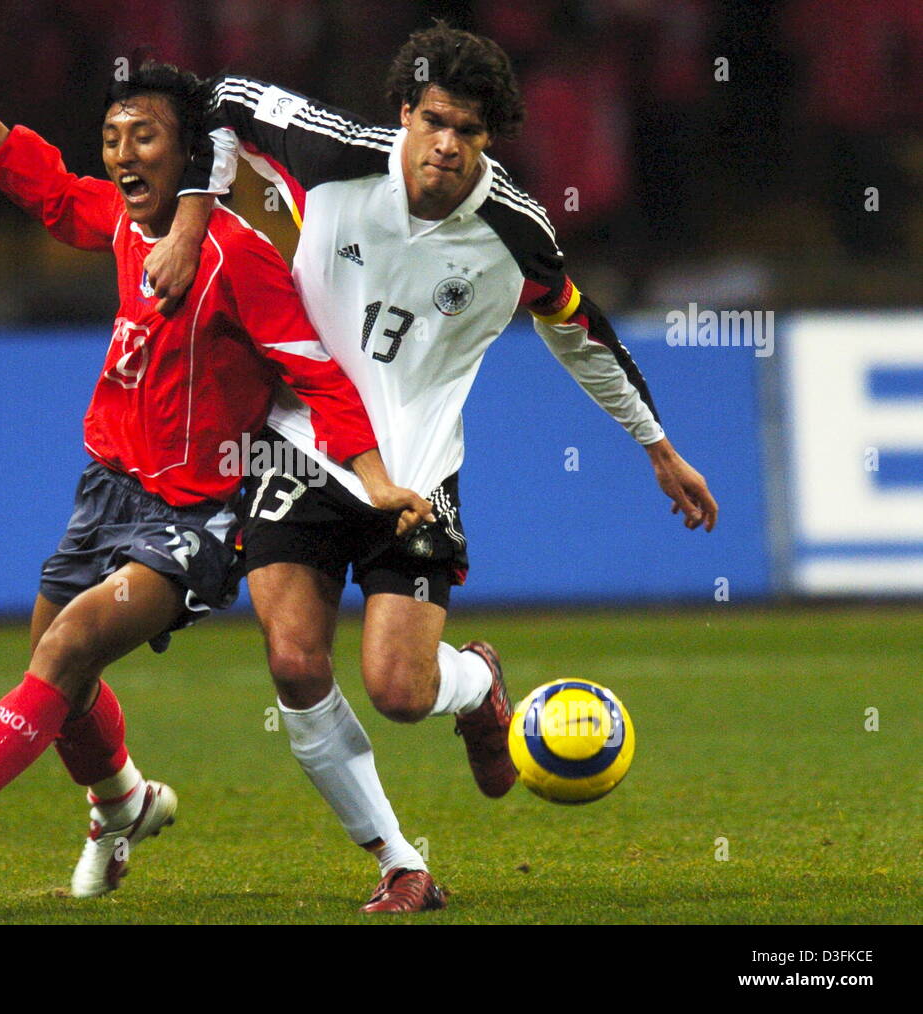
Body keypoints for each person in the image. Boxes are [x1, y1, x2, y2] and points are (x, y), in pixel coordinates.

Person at [147, 22, 719, 913]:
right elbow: (208, 97)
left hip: (417, 475)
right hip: (302, 443)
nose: (448, 146)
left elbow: (579, 331)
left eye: (471, 132)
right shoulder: (330, 153)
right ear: (404, 113)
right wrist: (188, 223)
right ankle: (398, 862)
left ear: (490, 140)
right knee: (296, 663)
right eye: (436, 121)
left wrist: (657, 446)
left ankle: (479, 683)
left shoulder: (514, 230)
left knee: (399, 691)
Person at [0, 54, 431, 899]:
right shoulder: (127, 226)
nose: (123, 155)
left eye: (145, 137)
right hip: (106, 491)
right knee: (60, 678)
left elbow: (317, 373)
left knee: (66, 650)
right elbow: (57, 195)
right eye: (112, 138)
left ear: (191, 153)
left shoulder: (238, 257)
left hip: (191, 514)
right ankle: (123, 802)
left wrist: (374, 477)